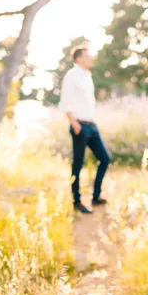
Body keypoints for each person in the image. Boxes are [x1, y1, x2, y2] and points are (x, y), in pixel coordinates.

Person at [59, 45, 111, 213]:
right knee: (78, 164)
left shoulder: (88, 76)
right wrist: (74, 123)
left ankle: (95, 197)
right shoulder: (72, 76)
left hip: (92, 126)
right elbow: (65, 101)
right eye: (88, 56)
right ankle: (77, 201)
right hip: (79, 126)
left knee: (104, 159)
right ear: (79, 58)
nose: (91, 59)